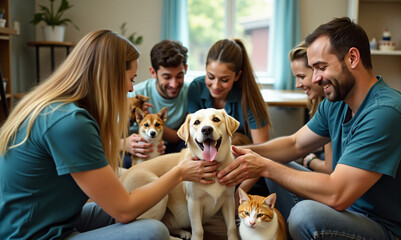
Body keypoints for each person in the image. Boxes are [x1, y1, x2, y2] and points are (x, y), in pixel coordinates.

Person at [0, 30, 219, 240]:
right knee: (154, 231)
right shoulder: (70, 122)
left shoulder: (57, 108)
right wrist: (179, 173)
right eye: (131, 79)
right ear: (110, 75)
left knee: (141, 211)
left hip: (57, 219)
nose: (131, 89)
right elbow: (124, 210)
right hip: (34, 235)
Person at [217, 17, 401, 239]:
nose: (315, 78)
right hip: (350, 211)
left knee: (305, 215)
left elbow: (337, 194)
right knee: (276, 162)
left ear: (353, 58)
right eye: (313, 69)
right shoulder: (335, 103)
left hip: (389, 229)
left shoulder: (386, 112)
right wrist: (238, 152)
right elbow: (294, 144)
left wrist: (264, 167)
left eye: (321, 67)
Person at [187, 38, 272, 197]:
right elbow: (191, 137)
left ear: (237, 76)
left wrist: (238, 194)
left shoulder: (249, 98)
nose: (216, 85)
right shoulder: (196, 88)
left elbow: (262, 154)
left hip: (241, 167)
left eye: (224, 80)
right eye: (210, 76)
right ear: (205, 70)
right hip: (204, 161)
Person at [121, 40, 189, 167]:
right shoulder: (133, 95)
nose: (174, 84)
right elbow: (109, 135)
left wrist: (153, 120)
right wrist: (125, 144)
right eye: (167, 77)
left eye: (179, 76)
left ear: (185, 69)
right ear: (153, 72)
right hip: (136, 152)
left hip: (171, 149)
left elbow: (181, 137)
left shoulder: (190, 92)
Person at [290, 41, 332, 174]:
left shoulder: (332, 106)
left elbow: (329, 169)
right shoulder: (323, 103)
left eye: (301, 77)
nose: (297, 84)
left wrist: (310, 161)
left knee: (276, 163)